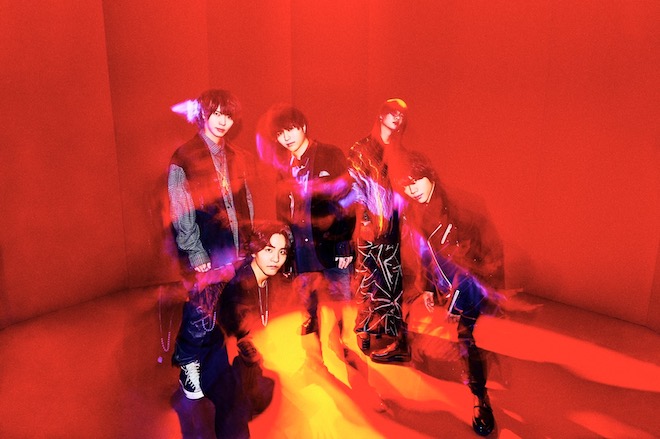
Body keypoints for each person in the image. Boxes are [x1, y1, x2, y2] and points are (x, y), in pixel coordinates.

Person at [397, 150, 503, 436]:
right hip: (446, 286)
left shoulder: (460, 210)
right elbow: (424, 252)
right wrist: (427, 287)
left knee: (467, 338)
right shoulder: (415, 211)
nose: (412, 189)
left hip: (472, 286)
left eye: (415, 180)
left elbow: (482, 259)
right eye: (406, 185)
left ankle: (480, 397)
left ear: (429, 175)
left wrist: (464, 299)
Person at [168, 89, 255, 400]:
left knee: (233, 297)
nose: (222, 121)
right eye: (216, 113)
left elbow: (245, 198)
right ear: (204, 114)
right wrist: (195, 250)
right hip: (205, 246)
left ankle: (240, 336)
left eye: (228, 115)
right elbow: (180, 208)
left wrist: (248, 237)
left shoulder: (236, 155)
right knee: (201, 309)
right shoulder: (185, 156)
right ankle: (187, 363)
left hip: (234, 244)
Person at [263, 105, 355, 354]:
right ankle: (311, 320)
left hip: (331, 240)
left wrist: (344, 243)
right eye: (280, 133)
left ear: (303, 127)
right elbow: (282, 207)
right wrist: (286, 245)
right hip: (301, 242)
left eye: (291, 129)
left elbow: (348, 200)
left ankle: (343, 336)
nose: (286, 137)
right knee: (306, 292)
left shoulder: (329, 154)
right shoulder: (284, 166)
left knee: (339, 295)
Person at [199, 221, 293, 439]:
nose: (276, 259)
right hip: (226, 366)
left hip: (249, 365)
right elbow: (236, 330)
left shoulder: (271, 282)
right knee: (235, 415)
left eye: (282, 252)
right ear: (254, 251)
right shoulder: (238, 287)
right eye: (268, 250)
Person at [347, 98, 411, 362]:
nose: (397, 118)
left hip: (393, 226)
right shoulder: (361, 149)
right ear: (381, 115)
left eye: (402, 115)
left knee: (391, 280)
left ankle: (388, 331)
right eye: (393, 113)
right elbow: (354, 186)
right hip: (369, 226)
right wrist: (364, 221)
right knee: (367, 278)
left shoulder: (399, 151)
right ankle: (364, 329)